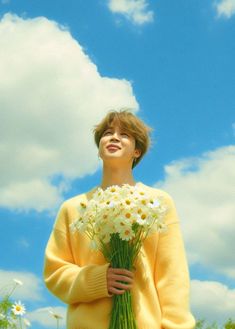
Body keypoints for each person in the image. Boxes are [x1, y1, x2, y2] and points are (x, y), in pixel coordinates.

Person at [43, 109, 196, 329]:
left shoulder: (157, 202)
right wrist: (96, 279)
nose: (114, 137)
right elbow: (54, 271)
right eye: (107, 132)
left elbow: (173, 275)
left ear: (137, 151)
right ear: (99, 149)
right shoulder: (73, 208)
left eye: (124, 134)